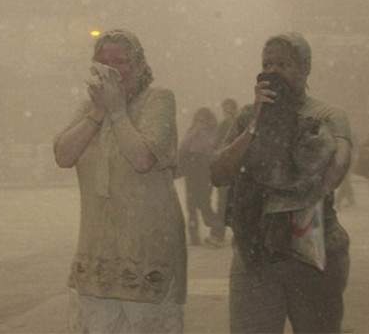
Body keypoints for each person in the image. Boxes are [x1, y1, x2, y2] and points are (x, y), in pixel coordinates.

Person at [210, 32, 352, 334]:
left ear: (305, 69)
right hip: (254, 255)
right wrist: (256, 126)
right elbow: (219, 173)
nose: (273, 71)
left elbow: (337, 170)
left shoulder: (327, 115)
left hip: (313, 252)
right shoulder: (249, 117)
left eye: (284, 64)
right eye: (267, 64)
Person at [53, 29, 186, 333]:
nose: (111, 70)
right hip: (96, 260)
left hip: (147, 256)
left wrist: (117, 111)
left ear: (139, 66)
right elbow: (63, 155)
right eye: (103, 62)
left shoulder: (159, 100)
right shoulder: (89, 109)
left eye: (121, 62)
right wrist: (98, 112)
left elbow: (142, 159)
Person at [178, 107, 219, 246]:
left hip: (204, 170)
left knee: (203, 203)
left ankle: (215, 226)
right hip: (192, 170)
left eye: (202, 120)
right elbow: (183, 146)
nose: (200, 123)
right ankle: (194, 236)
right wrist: (194, 133)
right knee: (191, 205)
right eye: (197, 120)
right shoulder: (192, 131)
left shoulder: (213, 132)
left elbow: (208, 148)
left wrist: (202, 134)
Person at [209, 98, 239, 245]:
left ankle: (237, 235)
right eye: (225, 110)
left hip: (238, 171)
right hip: (225, 170)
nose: (227, 113)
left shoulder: (240, 124)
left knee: (235, 203)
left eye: (229, 110)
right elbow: (216, 147)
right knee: (222, 203)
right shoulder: (222, 127)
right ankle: (217, 234)